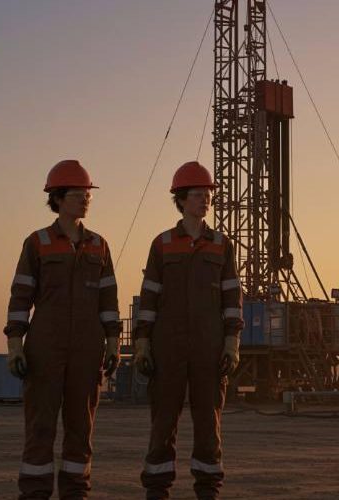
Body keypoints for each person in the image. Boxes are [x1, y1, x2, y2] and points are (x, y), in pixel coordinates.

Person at [4, 160, 121, 499]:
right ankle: (35, 494)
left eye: (88, 194)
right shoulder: (37, 243)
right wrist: (15, 345)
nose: (85, 200)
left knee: (81, 429)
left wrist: (113, 342)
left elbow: (109, 299)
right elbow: (21, 296)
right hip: (45, 347)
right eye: (77, 194)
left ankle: (76, 494)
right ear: (57, 198)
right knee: (40, 427)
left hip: (87, 349)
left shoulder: (99, 245)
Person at [133, 161, 243, 500]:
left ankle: (208, 491)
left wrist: (232, 342)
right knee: (163, 421)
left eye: (208, 194)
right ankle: (157, 490)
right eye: (197, 194)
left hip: (209, 348)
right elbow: (149, 297)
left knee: (208, 422)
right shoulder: (162, 244)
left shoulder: (222, 245)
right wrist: (142, 342)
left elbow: (232, 298)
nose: (205, 199)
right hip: (167, 347)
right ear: (181, 199)